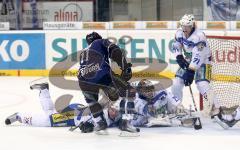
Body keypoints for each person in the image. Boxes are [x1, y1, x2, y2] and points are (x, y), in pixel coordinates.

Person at [4, 82, 121, 133]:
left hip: (74, 114)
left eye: (115, 111)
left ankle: (44, 90)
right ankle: (19, 116)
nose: (113, 110)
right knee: (48, 121)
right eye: (113, 108)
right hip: (73, 114)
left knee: (50, 113)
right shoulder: (105, 108)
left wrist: (89, 127)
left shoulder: (112, 120)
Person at [171, 14, 220, 117]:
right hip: (189, 60)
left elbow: (198, 55)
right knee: (177, 82)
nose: (184, 28)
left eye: (187, 26)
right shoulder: (179, 33)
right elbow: (176, 45)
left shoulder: (199, 36)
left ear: (192, 26)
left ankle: (216, 107)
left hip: (204, 61)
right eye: (183, 26)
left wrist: (190, 71)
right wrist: (179, 57)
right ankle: (176, 106)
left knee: (202, 84)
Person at [131, 79, 198, 128]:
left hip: (162, 111)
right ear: (140, 92)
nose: (149, 92)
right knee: (141, 119)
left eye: (150, 89)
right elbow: (150, 112)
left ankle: (181, 114)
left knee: (176, 107)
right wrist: (161, 117)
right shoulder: (138, 101)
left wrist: (179, 106)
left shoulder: (160, 90)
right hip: (144, 117)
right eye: (146, 91)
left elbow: (171, 97)